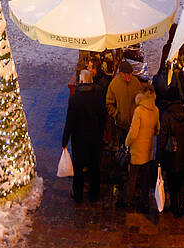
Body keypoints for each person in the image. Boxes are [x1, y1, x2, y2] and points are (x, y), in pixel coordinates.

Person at [62, 68, 107, 202]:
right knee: (94, 166)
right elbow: (103, 117)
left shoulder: (75, 98)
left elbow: (69, 121)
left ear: (81, 81)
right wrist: (101, 132)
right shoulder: (98, 95)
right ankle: (94, 194)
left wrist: (64, 140)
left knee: (78, 167)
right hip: (95, 138)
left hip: (79, 140)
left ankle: (78, 194)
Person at [107, 60, 145, 184]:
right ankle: (122, 170)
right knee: (123, 147)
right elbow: (109, 103)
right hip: (121, 124)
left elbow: (141, 100)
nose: (129, 77)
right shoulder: (114, 84)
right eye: (127, 74)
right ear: (121, 74)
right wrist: (116, 115)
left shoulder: (136, 83)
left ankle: (132, 170)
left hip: (134, 124)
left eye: (130, 74)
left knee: (134, 149)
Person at [124, 84, 160, 213]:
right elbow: (157, 130)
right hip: (148, 151)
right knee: (145, 178)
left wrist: (127, 143)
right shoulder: (156, 110)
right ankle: (144, 202)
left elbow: (133, 133)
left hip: (137, 150)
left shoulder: (139, 110)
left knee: (132, 176)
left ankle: (128, 200)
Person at [159, 95, 184, 216]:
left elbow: (163, 136)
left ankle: (174, 205)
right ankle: (182, 202)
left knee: (172, 180)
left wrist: (159, 153)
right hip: (183, 153)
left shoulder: (167, 115)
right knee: (182, 179)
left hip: (171, 153)